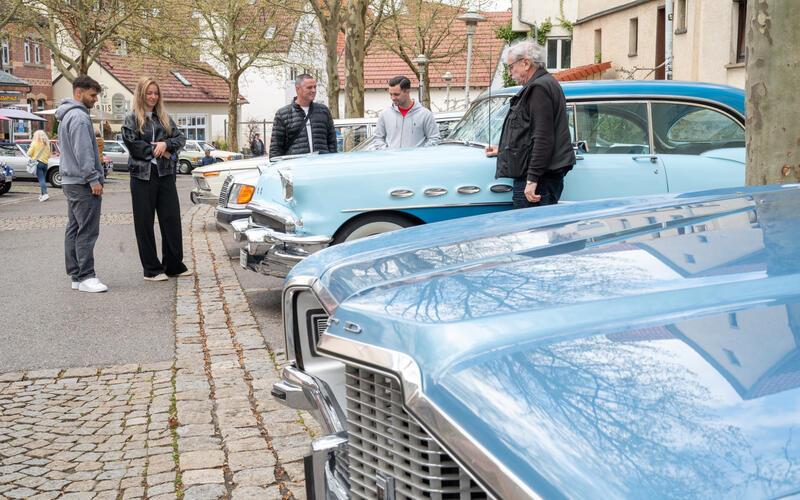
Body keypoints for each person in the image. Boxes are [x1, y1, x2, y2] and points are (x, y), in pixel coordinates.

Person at [485, 41, 575, 208]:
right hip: (541, 175)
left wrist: (532, 179)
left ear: (525, 63)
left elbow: (543, 137)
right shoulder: (544, 83)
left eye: (511, 67)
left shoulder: (539, 88)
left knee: (531, 232)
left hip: (539, 178)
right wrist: (504, 148)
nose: (510, 72)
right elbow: (528, 131)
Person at [122, 77, 189, 282]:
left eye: (155, 93)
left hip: (165, 174)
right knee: (144, 222)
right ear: (141, 94)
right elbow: (133, 145)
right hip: (142, 176)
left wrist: (166, 145)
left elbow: (180, 139)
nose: (152, 96)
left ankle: (173, 265)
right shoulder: (132, 118)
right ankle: (151, 269)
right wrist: (157, 148)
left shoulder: (164, 118)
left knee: (171, 219)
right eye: (149, 93)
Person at [55, 75, 108, 293]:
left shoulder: (66, 115)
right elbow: (84, 151)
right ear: (79, 92)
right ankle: (86, 276)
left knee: (74, 228)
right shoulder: (79, 117)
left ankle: (76, 275)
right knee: (87, 229)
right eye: (93, 95)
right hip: (82, 182)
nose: (95, 100)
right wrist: (93, 179)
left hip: (71, 180)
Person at [269, 74, 336, 158]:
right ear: (297, 89)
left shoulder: (324, 111)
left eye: (315, 87)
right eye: (309, 87)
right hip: (297, 167)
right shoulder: (283, 114)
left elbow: (332, 142)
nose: (313, 90)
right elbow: (275, 148)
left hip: (321, 165)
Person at [373, 75, 440, 149]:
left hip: (416, 160)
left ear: (407, 91)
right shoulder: (385, 114)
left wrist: (421, 154)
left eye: (396, 94)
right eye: (390, 94)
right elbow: (378, 138)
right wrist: (386, 152)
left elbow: (434, 139)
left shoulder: (425, 114)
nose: (392, 98)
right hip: (392, 159)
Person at [27, 130, 51, 202]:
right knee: (43, 179)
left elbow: (29, 153)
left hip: (38, 163)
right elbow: (49, 155)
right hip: (45, 164)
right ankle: (42, 194)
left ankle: (45, 194)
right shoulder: (47, 144)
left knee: (41, 180)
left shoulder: (34, 143)